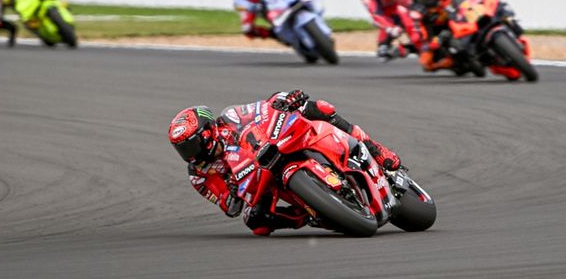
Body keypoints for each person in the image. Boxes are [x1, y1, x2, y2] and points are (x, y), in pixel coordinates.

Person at [168, 89, 401, 236]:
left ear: (206, 132)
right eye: (182, 149)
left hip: (276, 145)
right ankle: (311, 214)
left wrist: (284, 100)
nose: (189, 154)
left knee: (319, 108)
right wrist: (231, 191)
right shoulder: (198, 175)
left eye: (190, 145)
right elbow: (230, 207)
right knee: (255, 222)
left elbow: (262, 108)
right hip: (259, 183)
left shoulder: (229, 119)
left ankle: (374, 148)